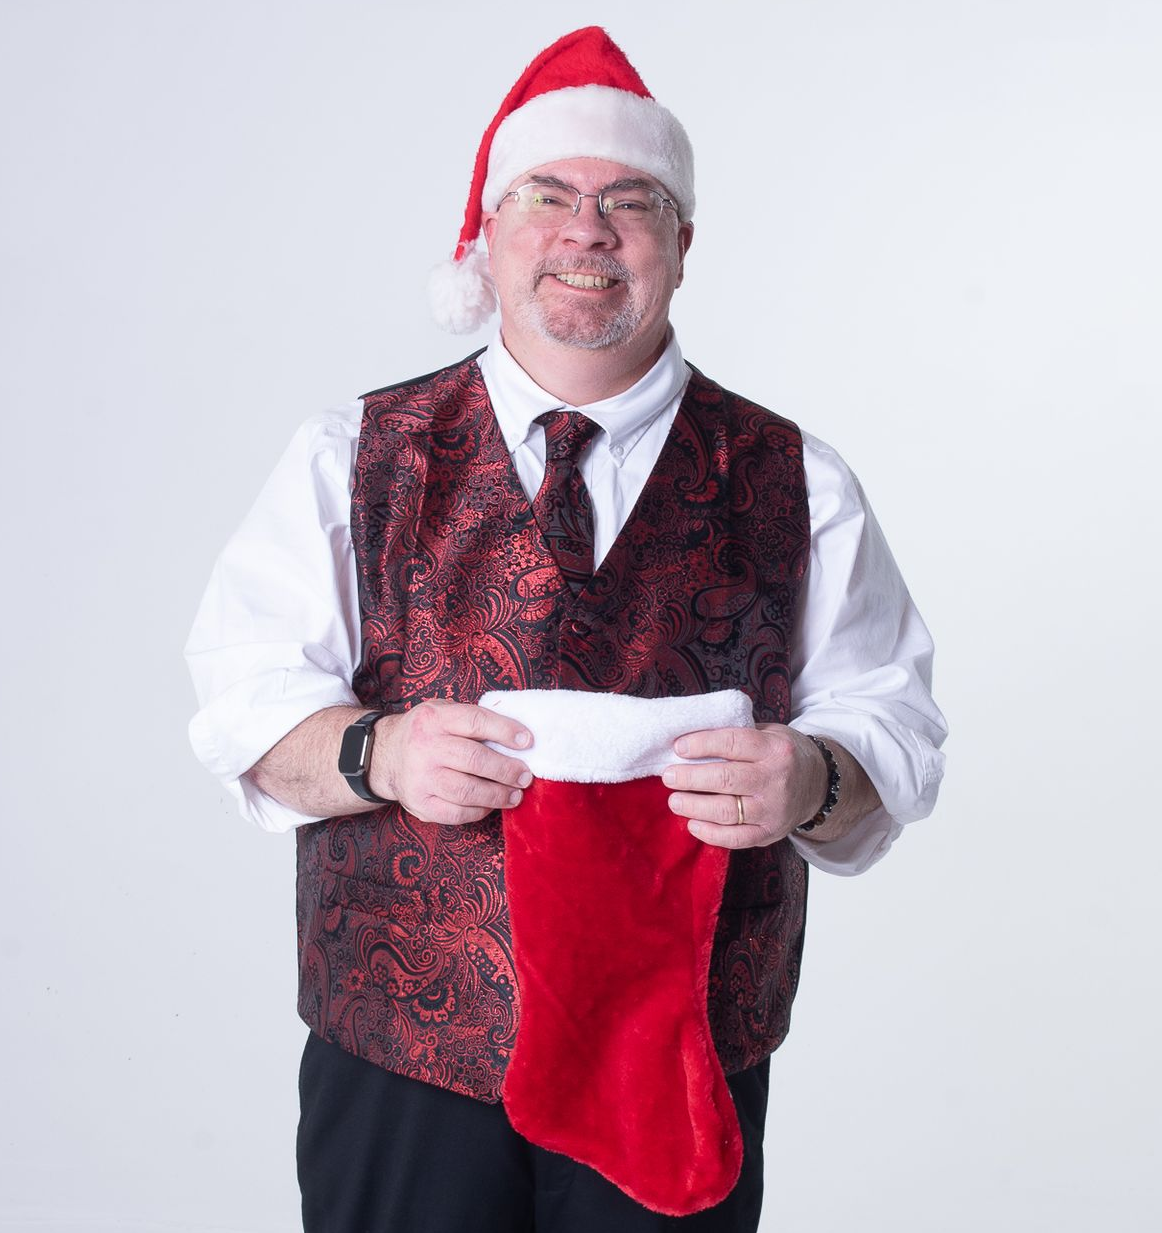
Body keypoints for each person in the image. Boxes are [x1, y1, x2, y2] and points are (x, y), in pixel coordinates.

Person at [186, 26, 946, 1233]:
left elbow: (892, 735)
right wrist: (375, 753)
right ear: (486, 237)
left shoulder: (795, 478)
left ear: (682, 248)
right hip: (405, 1059)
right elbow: (238, 706)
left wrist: (807, 775)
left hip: (681, 1052)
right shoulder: (353, 457)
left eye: (630, 201)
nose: (586, 230)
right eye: (546, 195)